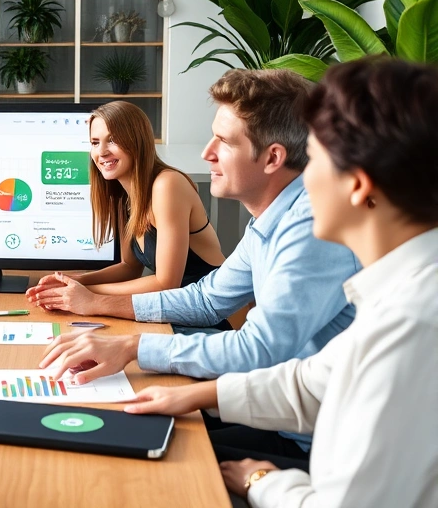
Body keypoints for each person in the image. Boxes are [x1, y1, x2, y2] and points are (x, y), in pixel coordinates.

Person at [123, 57, 438, 507]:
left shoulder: (412, 321)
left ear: (359, 187)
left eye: (317, 160)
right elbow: (313, 382)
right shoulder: (401, 291)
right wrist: (195, 397)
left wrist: (263, 482)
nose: (301, 177)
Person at [37, 69, 360, 469]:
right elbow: (206, 299)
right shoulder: (272, 220)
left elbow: (256, 348)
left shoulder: (311, 226)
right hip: (280, 415)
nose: (206, 153)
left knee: (135, 455)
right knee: (120, 426)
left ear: (273, 157)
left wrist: (132, 346)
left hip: (319, 448)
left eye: (223, 142)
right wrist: (95, 307)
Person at [25, 101, 226, 317]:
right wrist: (75, 280)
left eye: (112, 140)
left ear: (136, 141)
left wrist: (88, 294)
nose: (101, 152)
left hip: (214, 314)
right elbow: (130, 267)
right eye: (94, 142)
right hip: (176, 311)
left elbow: (167, 283)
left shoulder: (168, 185)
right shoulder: (123, 194)